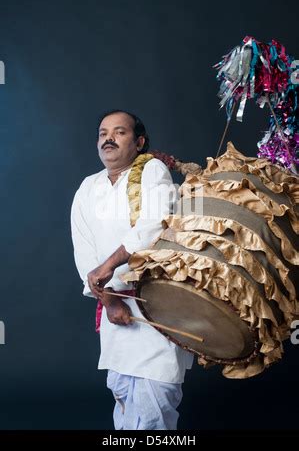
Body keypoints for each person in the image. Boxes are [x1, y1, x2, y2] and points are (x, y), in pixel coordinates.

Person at [70, 109, 194, 430]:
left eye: (119, 132)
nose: (108, 138)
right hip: (115, 312)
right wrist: (108, 301)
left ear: (139, 142)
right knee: (125, 400)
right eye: (102, 133)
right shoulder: (88, 187)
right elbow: (85, 253)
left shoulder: (152, 170)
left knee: (155, 404)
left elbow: (153, 225)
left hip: (156, 306)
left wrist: (109, 265)